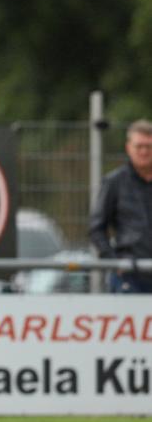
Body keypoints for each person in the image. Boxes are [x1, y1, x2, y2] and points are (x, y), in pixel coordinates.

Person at [89, 118, 152, 293]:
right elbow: (96, 228)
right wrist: (114, 262)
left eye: (149, 146)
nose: (144, 151)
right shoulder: (114, 182)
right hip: (130, 276)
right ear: (128, 148)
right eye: (139, 146)